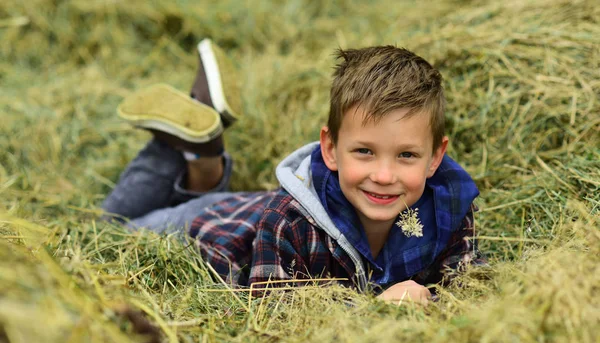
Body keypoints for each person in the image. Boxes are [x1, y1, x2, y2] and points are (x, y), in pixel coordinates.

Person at [103, 39, 486, 305]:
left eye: (406, 155)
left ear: (435, 158)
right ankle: (176, 144)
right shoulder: (289, 221)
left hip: (249, 208)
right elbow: (274, 311)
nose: (384, 175)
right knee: (112, 225)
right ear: (331, 149)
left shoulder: (447, 206)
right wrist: (377, 309)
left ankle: (205, 158)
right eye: (364, 152)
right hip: (206, 228)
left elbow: (469, 283)